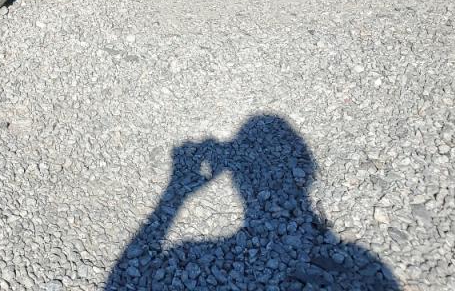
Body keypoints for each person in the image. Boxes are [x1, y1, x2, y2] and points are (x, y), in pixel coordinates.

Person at [106, 114, 400, 290]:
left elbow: (122, 279)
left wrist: (176, 190)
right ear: (308, 174)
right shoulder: (364, 263)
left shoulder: (187, 250)